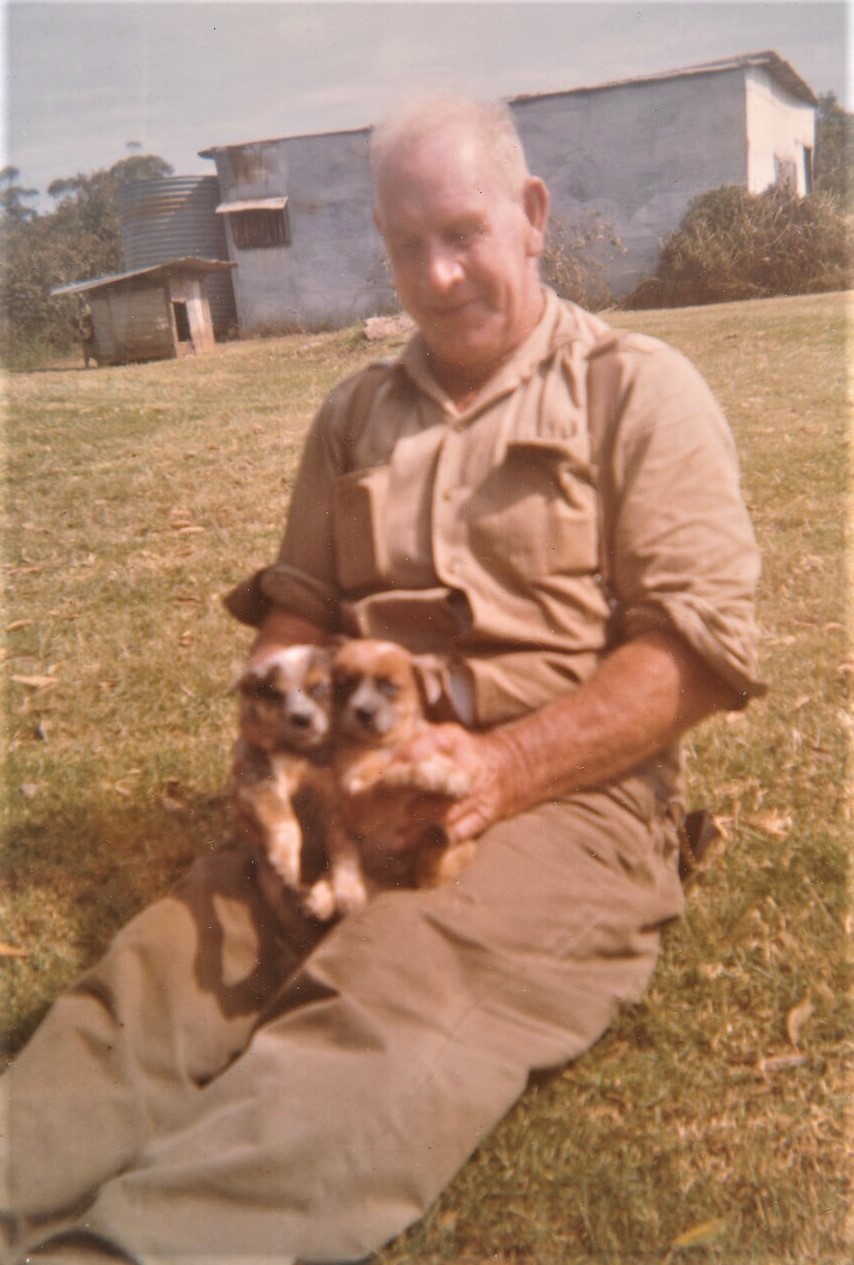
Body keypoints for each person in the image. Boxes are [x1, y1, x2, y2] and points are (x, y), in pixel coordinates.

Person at [1, 96, 765, 1265]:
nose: (439, 273)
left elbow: (690, 659)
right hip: (345, 791)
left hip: (562, 803)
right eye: (406, 244)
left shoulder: (634, 392)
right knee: (150, 984)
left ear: (530, 217)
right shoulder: (353, 412)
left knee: (381, 1001)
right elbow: (297, 612)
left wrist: (497, 769)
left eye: (461, 233)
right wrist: (283, 759)